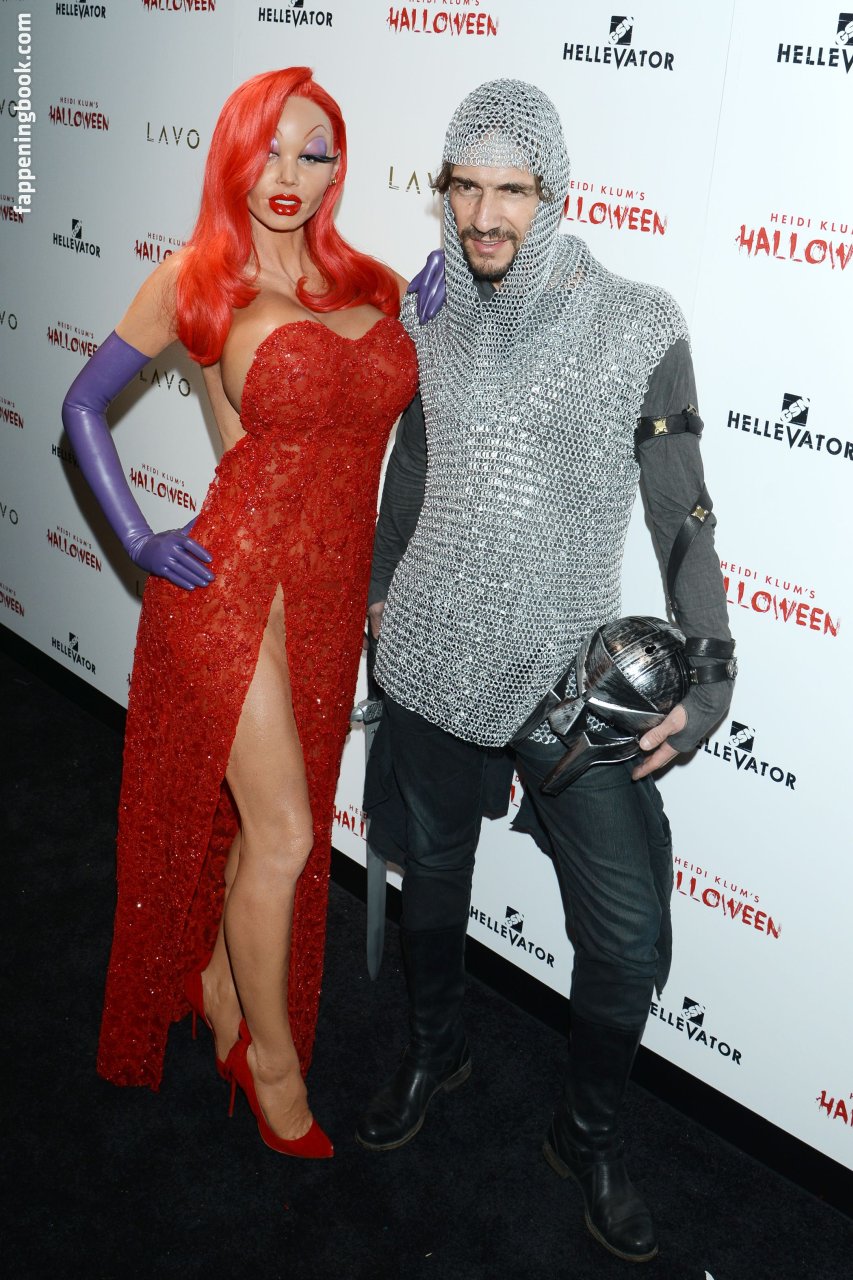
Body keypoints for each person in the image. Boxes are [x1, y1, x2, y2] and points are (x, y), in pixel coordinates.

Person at [357, 80, 735, 1259]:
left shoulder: (634, 323)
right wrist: (379, 590)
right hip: (430, 643)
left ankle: (589, 1131)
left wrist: (711, 673)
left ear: (553, 192)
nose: (484, 214)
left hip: (564, 669)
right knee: (431, 872)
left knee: (624, 934)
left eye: (510, 189)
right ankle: (438, 1048)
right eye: (464, 187)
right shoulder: (431, 308)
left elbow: (681, 515)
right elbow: (412, 461)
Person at [62, 67, 418, 1158]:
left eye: (315, 151)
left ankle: (222, 986)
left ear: (338, 167)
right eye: (270, 147)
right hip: (225, 589)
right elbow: (82, 405)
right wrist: (136, 539)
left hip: (326, 598)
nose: (290, 172)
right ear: (234, 153)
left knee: (264, 827)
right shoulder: (197, 280)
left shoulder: (374, 285)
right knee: (289, 832)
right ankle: (270, 1064)